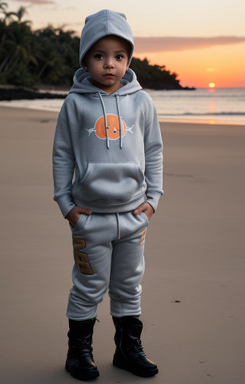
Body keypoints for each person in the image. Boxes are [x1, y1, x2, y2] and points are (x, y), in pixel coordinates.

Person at [53, 9, 163, 381]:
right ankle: (78, 352)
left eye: (118, 56)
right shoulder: (75, 103)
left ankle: (127, 349)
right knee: (88, 286)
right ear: (86, 59)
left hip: (134, 217)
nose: (109, 64)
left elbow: (154, 151)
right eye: (99, 56)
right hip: (89, 218)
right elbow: (62, 154)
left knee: (129, 286)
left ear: (129, 59)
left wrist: (154, 200)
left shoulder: (142, 102)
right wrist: (66, 204)